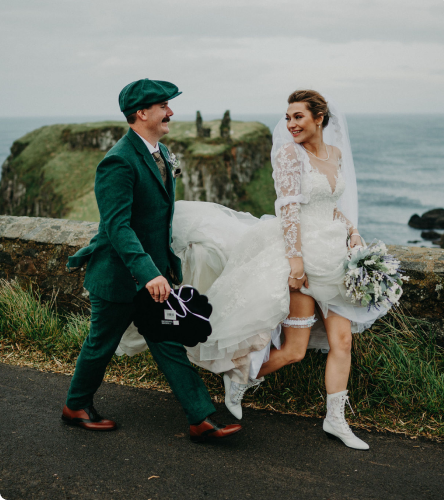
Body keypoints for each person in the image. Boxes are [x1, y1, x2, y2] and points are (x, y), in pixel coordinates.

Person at [118, 90, 392, 450]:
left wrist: (354, 232)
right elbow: (289, 210)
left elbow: (331, 207)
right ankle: (240, 378)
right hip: (305, 261)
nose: (290, 124)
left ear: (320, 118)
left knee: (343, 341)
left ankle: (335, 421)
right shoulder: (289, 155)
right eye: (288, 117)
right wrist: (295, 262)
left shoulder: (336, 156)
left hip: (335, 257)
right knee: (295, 349)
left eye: (298, 117)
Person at [61, 78, 242, 444]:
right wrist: (148, 274)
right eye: (163, 107)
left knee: (168, 343)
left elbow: (159, 219)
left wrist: (166, 269)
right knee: (100, 345)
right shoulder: (117, 162)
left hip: (153, 275)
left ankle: (201, 419)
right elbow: (118, 227)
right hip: (117, 276)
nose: (170, 113)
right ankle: (75, 407)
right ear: (142, 113)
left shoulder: (159, 152)